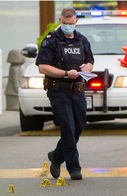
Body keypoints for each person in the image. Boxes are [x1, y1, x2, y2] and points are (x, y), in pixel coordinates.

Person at [35, 7, 94, 180]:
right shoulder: (51, 40)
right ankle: (74, 168)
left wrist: (87, 67)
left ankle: (57, 156)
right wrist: (66, 73)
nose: (68, 26)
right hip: (58, 89)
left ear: (76, 21)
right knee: (68, 126)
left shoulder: (82, 40)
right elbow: (42, 67)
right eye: (65, 23)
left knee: (79, 125)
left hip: (77, 90)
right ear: (60, 20)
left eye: (71, 23)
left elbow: (90, 60)